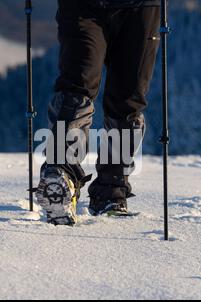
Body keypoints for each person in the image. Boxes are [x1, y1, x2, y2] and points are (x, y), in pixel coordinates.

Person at [36, 0, 161, 225]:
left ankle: (111, 190)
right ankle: (62, 173)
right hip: (83, 7)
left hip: (141, 8)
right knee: (78, 85)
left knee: (128, 100)